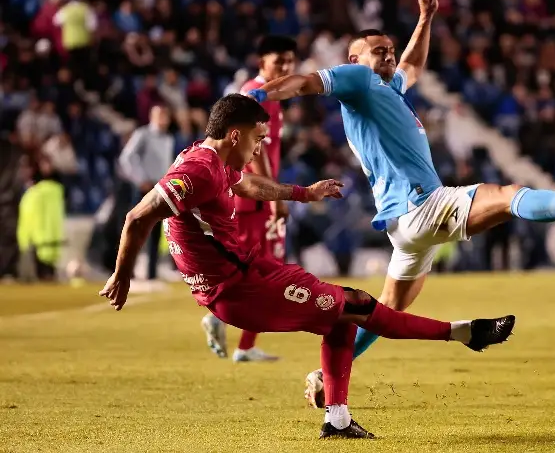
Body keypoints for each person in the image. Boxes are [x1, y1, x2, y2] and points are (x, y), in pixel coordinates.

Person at [242, 0, 555, 407]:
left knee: (385, 309)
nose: (388, 56)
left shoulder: (387, 88)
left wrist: (425, 17)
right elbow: (305, 82)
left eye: (390, 49)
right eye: (378, 51)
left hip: (405, 222)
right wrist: (259, 95)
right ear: (353, 57)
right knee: (506, 193)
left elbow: (413, 66)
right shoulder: (355, 79)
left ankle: (324, 378)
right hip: (422, 204)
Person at [98, 94, 516, 439]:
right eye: (258, 138)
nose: (260, 148)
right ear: (234, 134)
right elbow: (138, 217)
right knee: (356, 303)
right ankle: (465, 332)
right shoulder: (198, 168)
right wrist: (123, 274)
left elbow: (246, 184)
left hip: (251, 271)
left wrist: (301, 193)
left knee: (340, 319)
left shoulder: (217, 162)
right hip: (235, 291)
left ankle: (337, 420)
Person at [201, 36, 297, 363]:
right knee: (263, 268)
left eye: (289, 61)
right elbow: (254, 152)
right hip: (253, 197)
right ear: (262, 63)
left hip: (250, 194)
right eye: (278, 61)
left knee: (261, 268)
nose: (285, 67)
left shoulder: (268, 94)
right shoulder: (256, 96)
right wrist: (274, 196)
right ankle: (220, 317)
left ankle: (244, 343)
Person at [118, 105, 175, 281]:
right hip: (144, 189)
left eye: (165, 115)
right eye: (159, 115)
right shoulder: (143, 134)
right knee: (136, 230)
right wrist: (140, 178)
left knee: (156, 233)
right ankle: (126, 271)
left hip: (160, 190)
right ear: (152, 116)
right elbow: (126, 157)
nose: (163, 118)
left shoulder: (168, 139)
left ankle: (151, 274)